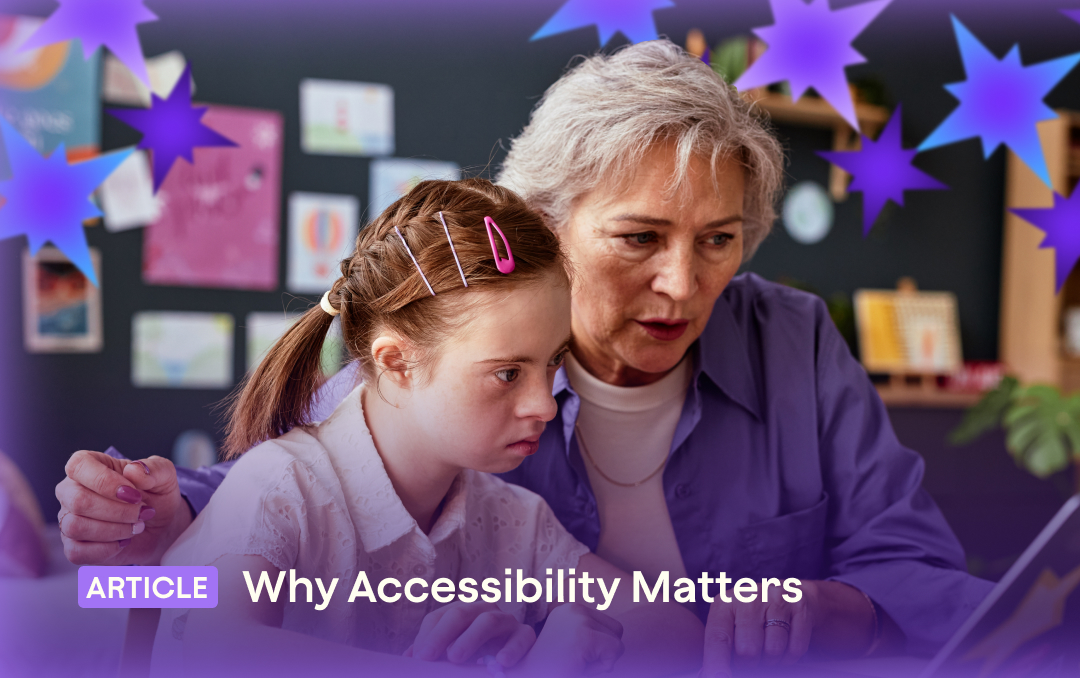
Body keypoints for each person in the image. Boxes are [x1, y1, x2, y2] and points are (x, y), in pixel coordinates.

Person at [57, 40, 993, 676]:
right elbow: (296, 489)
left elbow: (915, 568)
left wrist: (847, 611)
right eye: (638, 238)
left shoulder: (790, 341)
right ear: (545, 224)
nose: (681, 285)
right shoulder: (449, 351)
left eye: (719, 239)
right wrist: (159, 512)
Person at [148, 179, 702, 677]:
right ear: (396, 362)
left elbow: (675, 632)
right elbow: (216, 653)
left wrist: (544, 645)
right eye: (507, 373)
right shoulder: (280, 488)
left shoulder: (513, 519)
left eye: (553, 361)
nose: (544, 404)